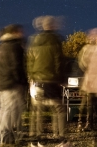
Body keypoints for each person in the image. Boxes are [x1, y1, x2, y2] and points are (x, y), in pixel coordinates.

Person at [27, 16, 71, 147]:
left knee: (37, 112)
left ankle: (37, 140)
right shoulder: (55, 41)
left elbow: (29, 62)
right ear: (52, 26)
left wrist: (32, 76)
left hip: (37, 82)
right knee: (59, 109)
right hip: (51, 81)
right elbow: (59, 61)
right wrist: (61, 79)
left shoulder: (34, 41)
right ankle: (61, 139)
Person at [0, 24, 28, 146]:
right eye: (19, 31)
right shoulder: (15, 47)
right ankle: (6, 137)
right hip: (11, 83)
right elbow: (17, 67)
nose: (22, 33)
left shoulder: (1, 46)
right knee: (10, 110)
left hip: (1, 83)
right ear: (14, 32)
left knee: (3, 109)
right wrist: (22, 82)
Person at [76, 28, 97, 132]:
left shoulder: (92, 49)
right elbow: (82, 62)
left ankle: (84, 123)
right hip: (90, 79)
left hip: (90, 79)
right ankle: (85, 123)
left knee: (88, 103)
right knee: (87, 103)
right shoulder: (90, 49)